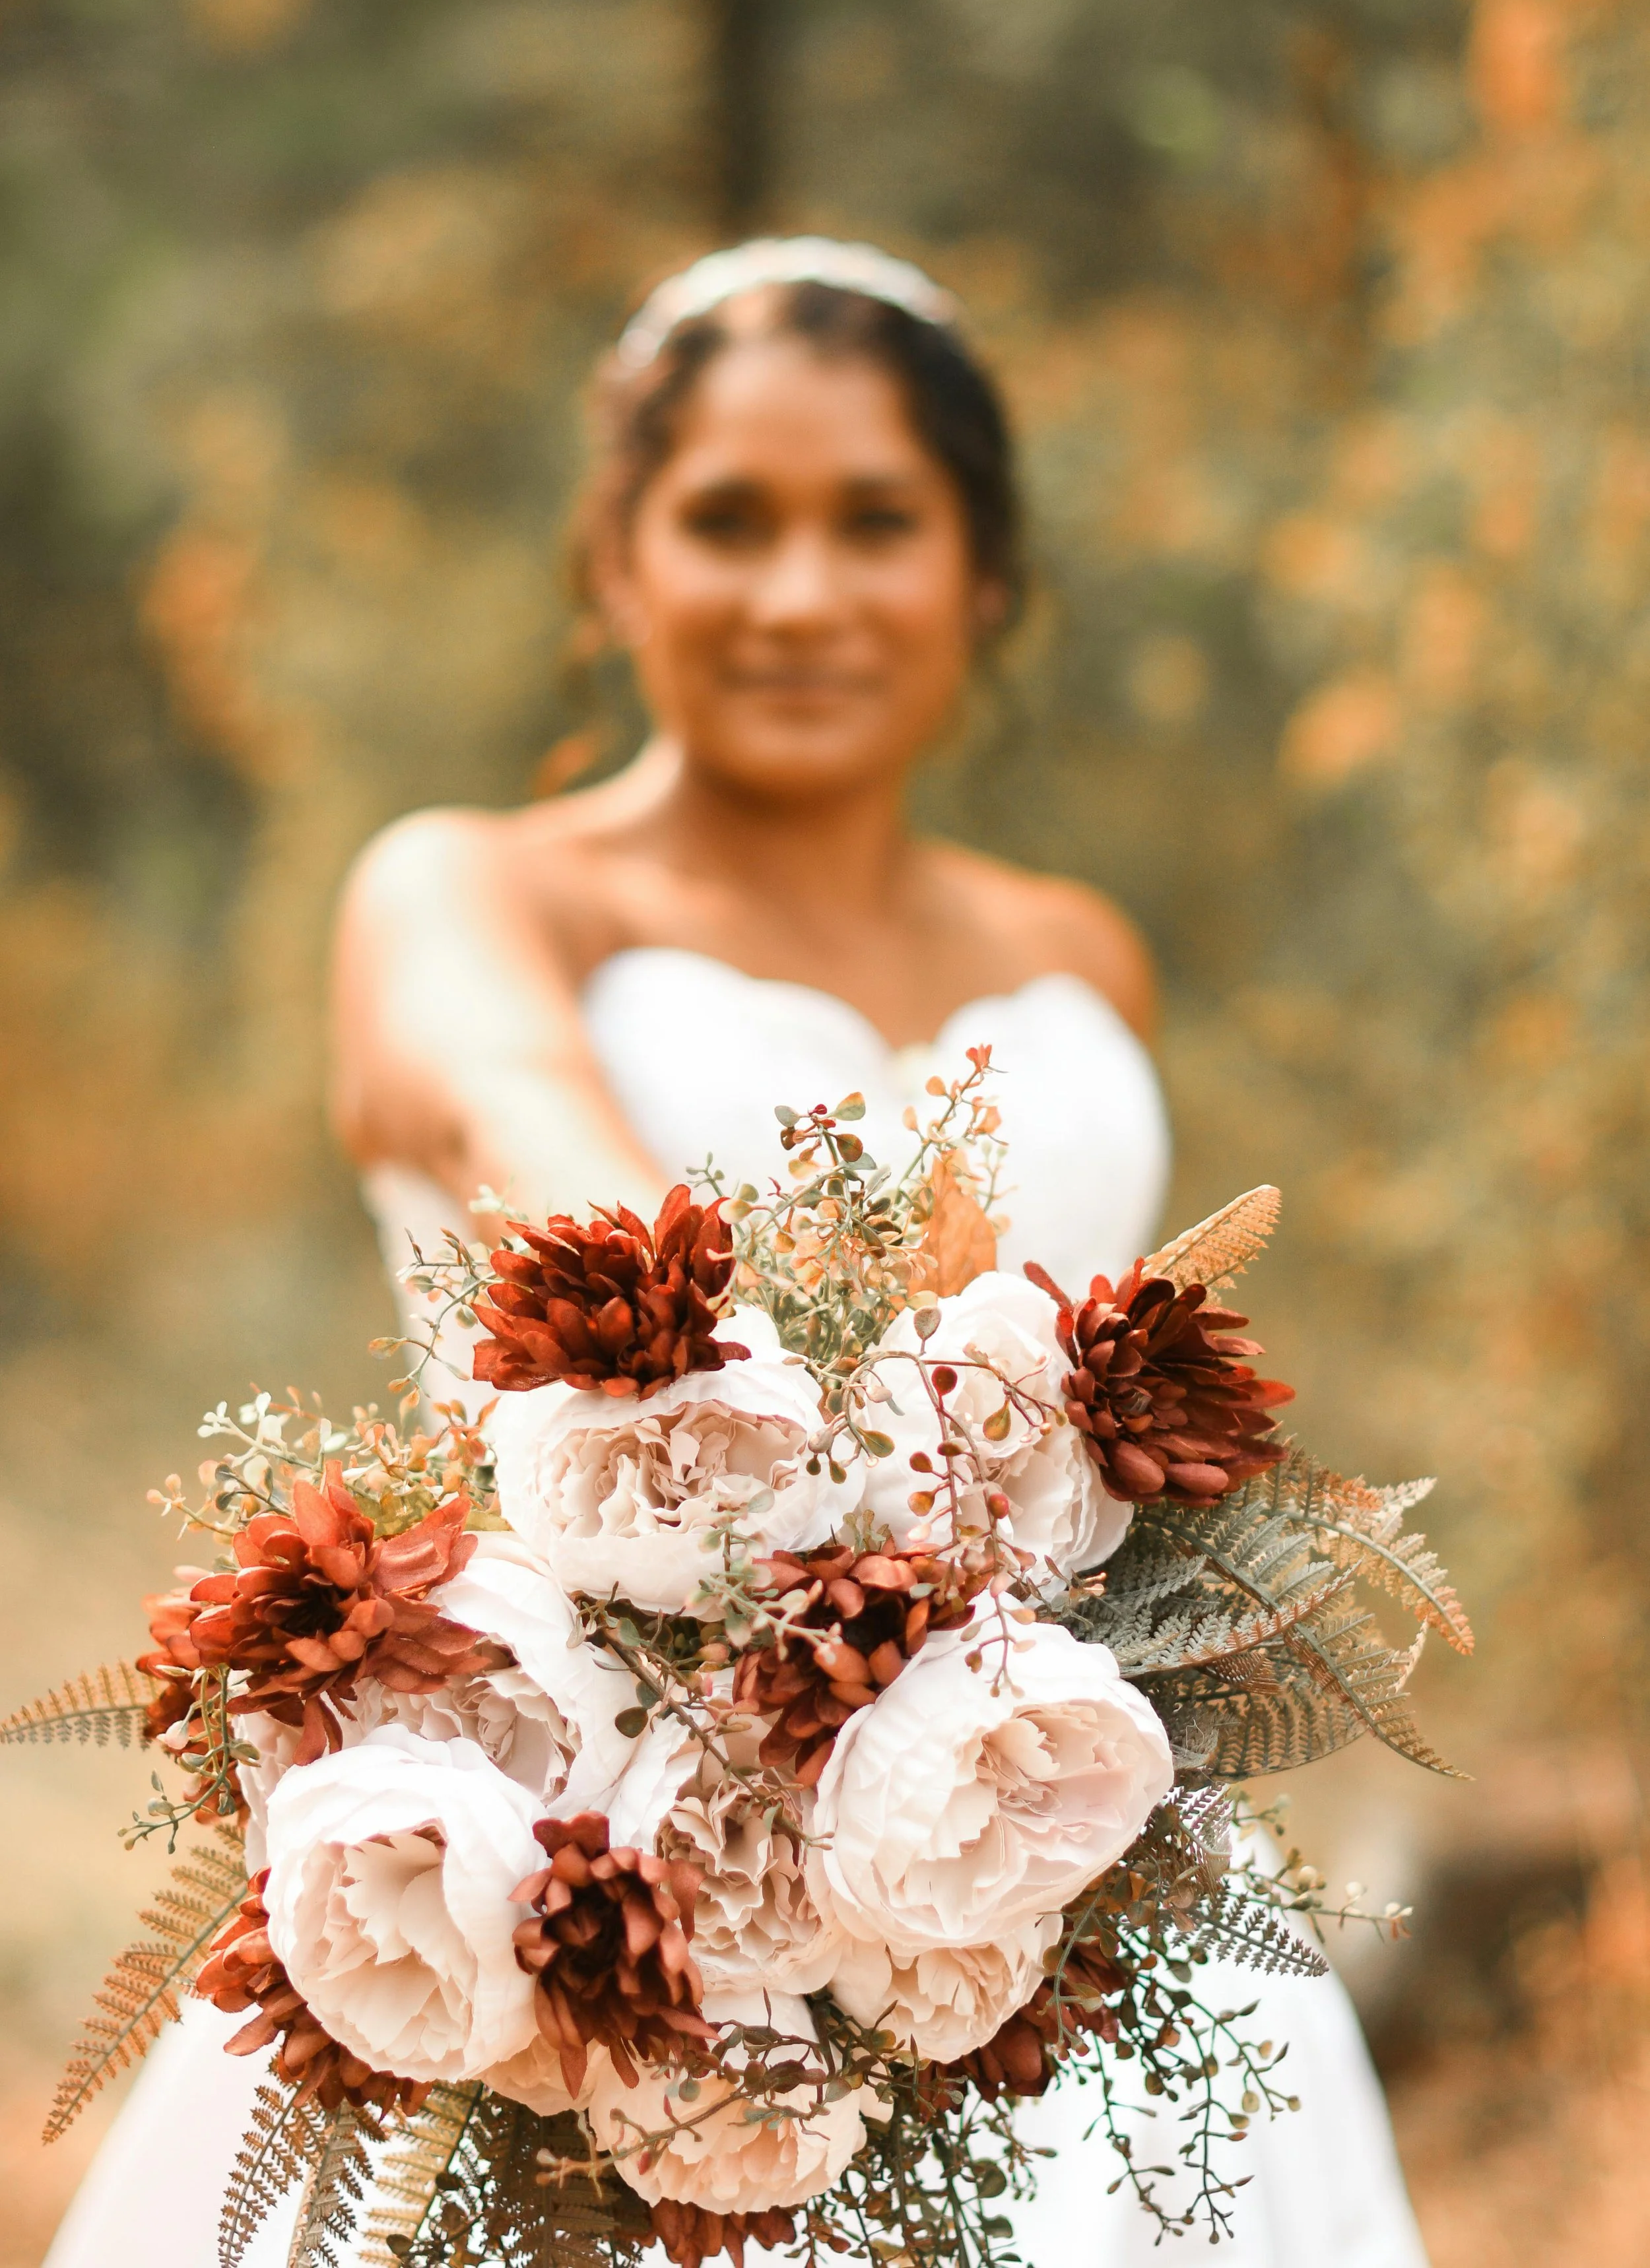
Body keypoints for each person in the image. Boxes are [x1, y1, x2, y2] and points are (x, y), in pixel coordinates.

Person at [42, 238, 1426, 2268]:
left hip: (1037, 1860)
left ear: (984, 579)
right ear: (614, 566)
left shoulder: (1072, 950)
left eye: (876, 521)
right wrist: (688, 1355)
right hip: (583, 1890)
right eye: (725, 521)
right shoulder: (471, 890)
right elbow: (506, 1106)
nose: (799, 593)